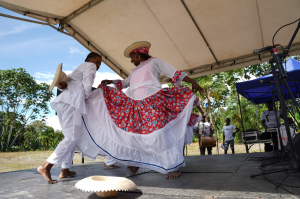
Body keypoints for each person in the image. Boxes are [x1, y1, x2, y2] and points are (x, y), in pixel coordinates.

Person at [76, 41, 205, 179]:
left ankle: (173, 166)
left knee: (159, 134)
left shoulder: (154, 62)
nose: (131, 61)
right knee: (133, 133)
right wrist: (111, 82)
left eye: (132, 57)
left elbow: (174, 72)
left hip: (152, 100)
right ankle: (136, 161)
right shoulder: (134, 71)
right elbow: (125, 83)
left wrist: (193, 82)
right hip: (135, 104)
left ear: (138, 54)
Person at [37, 52, 102, 184]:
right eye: (97, 61)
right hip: (72, 104)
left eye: (100, 63)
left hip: (65, 104)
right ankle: (46, 166)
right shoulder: (89, 66)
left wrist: (65, 85)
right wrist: (87, 96)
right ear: (89, 59)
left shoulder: (77, 70)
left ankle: (65, 169)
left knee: (73, 137)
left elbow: (65, 83)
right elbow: (88, 85)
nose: (97, 65)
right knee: (72, 137)